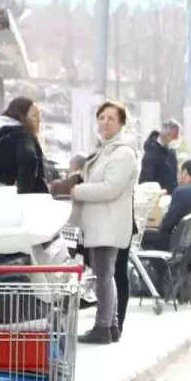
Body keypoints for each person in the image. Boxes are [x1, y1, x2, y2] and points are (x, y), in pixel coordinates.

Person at [50, 101, 138, 345]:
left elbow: (110, 188)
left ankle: (103, 327)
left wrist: (77, 191)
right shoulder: (106, 150)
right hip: (100, 221)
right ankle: (110, 326)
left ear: (121, 123)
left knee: (104, 275)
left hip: (107, 222)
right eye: (102, 118)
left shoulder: (123, 153)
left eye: (111, 118)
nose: (105, 122)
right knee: (103, 274)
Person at [0, 97, 49, 194]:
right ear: (22, 115)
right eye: (34, 116)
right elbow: (28, 162)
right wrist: (24, 192)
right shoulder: (23, 136)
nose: (38, 121)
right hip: (25, 199)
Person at [139, 119, 180, 193]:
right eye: (173, 137)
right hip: (157, 197)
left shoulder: (171, 153)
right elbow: (146, 180)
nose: (174, 141)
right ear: (166, 135)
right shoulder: (151, 153)